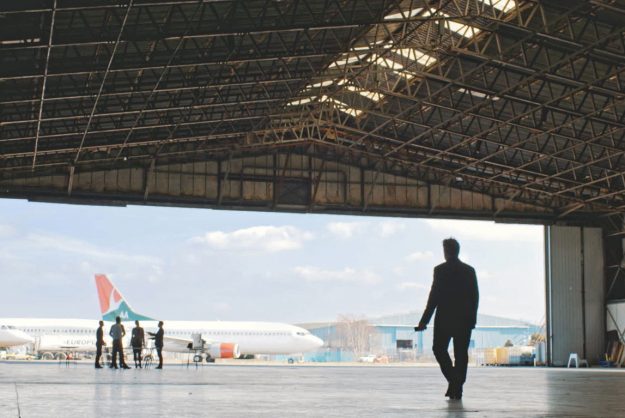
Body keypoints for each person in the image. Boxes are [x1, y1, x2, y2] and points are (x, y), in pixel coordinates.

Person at [415, 238, 479, 400]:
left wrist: (424, 321)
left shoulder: (440, 270)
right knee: (461, 355)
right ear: (457, 251)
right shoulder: (469, 270)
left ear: (445, 252)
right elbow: (475, 297)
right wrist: (472, 319)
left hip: (444, 320)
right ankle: (457, 385)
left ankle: (454, 382)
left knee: (439, 349)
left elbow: (434, 297)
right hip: (464, 320)